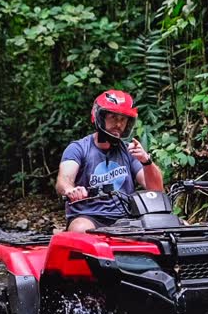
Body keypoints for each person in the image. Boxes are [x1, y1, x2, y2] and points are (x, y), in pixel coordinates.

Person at [56, 89, 164, 232]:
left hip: (127, 216)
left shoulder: (129, 150)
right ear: (100, 117)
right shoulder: (78, 148)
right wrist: (70, 190)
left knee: (177, 225)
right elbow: (63, 180)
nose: (118, 124)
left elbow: (156, 190)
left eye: (123, 120)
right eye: (113, 117)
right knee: (80, 229)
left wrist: (146, 161)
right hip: (90, 216)